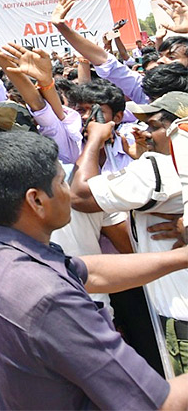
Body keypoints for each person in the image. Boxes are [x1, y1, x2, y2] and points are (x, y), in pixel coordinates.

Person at [0, 131, 188, 409]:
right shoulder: (53, 302)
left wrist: (182, 257)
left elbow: (92, 272)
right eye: (62, 182)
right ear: (36, 201)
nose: (70, 192)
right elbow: (159, 402)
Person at [71, 91, 188, 376]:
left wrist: (94, 139)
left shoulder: (156, 169)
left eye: (155, 127)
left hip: (179, 311)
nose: (145, 133)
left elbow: (80, 196)